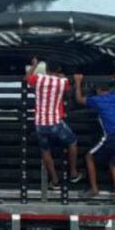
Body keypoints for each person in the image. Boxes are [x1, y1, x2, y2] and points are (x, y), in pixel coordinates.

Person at [73, 72, 115, 203]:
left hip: (110, 137)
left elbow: (79, 99)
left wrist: (78, 82)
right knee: (114, 165)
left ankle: (94, 189)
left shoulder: (97, 100)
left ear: (98, 90)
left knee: (89, 156)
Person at [25, 57, 81, 189]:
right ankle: (73, 172)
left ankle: (55, 180)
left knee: (45, 150)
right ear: (59, 69)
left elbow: (27, 78)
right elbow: (69, 88)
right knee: (72, 142)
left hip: (40, 123)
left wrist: (34, 65)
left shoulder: (38, 79)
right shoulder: (63, 82)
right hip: (55, 122)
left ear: (46, 69)